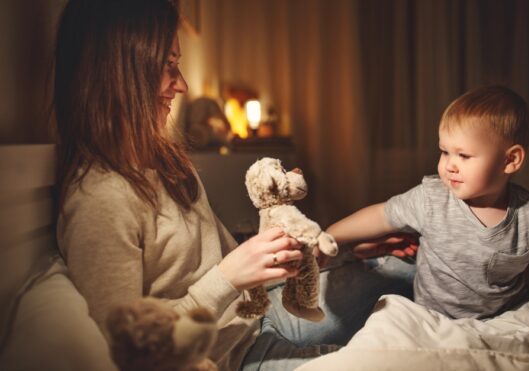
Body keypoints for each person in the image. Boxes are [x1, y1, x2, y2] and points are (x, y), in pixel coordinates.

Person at [53, 1, 413, 370]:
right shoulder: (99, 201)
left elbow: (232, 264)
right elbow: (124, 353)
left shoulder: (164, 160)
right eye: (169, 66)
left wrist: (337, 254)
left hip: (260, 315)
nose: (182, 85)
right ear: (119, 72)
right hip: (230, 357)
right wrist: (227, 278)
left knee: (406, 272)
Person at [326, 85, 529, 359]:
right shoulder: (432, 198)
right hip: (433, 317)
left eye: (464, 155)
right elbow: (380, 215)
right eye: (444, 151)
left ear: (510, 160)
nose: (449, 164)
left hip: (503, 316)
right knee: (387, 338)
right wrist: (330, 236)